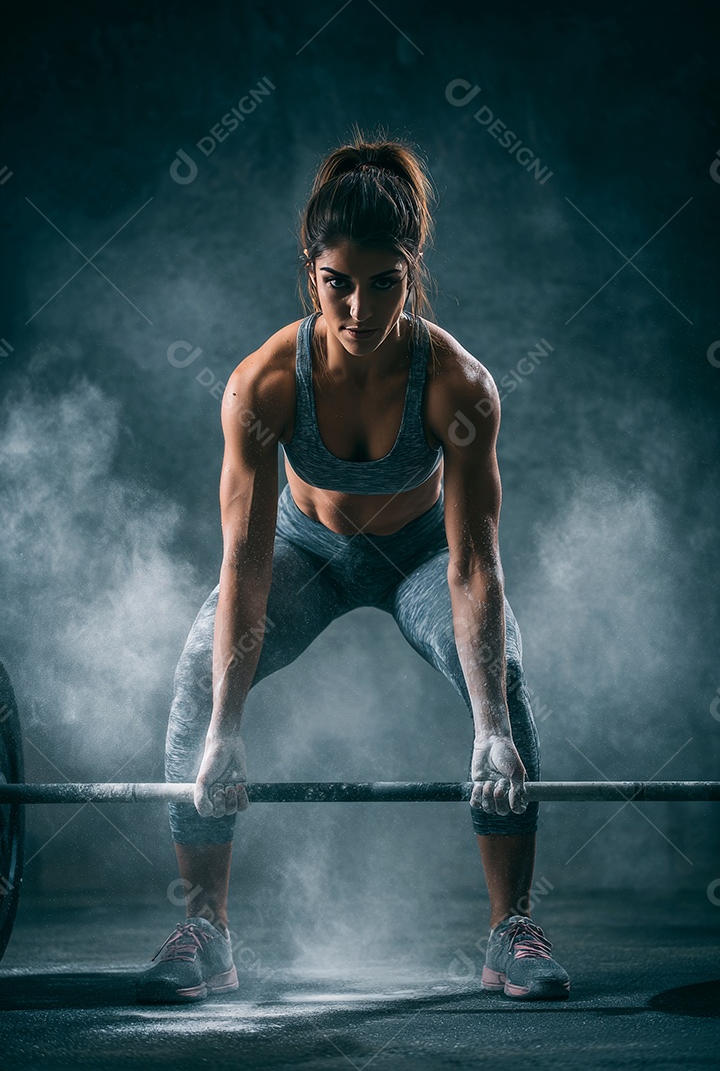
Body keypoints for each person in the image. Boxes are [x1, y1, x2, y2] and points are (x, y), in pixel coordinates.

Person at [136, 127, 570, 1004]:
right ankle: (208, 930)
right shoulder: (263, 384)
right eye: (338, 283)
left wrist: (488, 724)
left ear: (411, 273)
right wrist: (224, 729)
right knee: (196, 675)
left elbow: (475, 565)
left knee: (506, 685)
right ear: (311, 273)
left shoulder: (460, 386)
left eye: (384, 285)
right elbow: (247, 562)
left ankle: (509, 929)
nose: (360, 311)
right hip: (307, 553)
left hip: (422, 560)